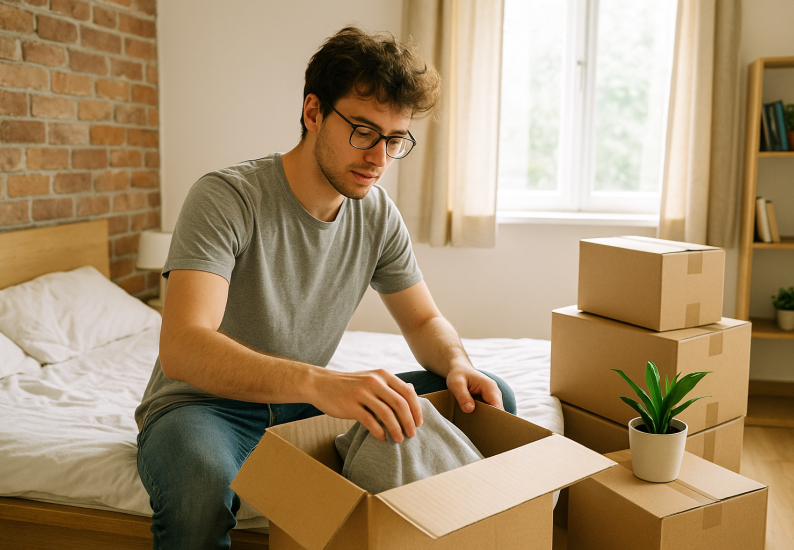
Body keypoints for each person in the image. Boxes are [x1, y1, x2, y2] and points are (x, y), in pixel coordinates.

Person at [134, 26, 516, 549]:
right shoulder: (227, 198)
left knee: (488, 395)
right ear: (313, 112)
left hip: (300, 406)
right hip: (202, 409)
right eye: (363, 130)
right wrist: (322, 384)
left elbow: (425, 321)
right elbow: (183, 346)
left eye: (395, 139)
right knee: (202, 487)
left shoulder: (376, 213)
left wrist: (456, 364)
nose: (379, 158)